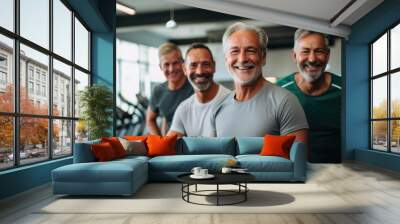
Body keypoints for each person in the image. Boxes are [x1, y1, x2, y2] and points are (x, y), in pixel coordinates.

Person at [212, 22, 309, 143]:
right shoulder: (217, 107)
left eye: (250, 50)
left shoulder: (285, 102)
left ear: (263, 57)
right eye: (234, 51)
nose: (242, 59)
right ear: (226, 59)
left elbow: (298, 159)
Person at [277, 29, 341, 163]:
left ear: (328, 55)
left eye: (319, 51)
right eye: (305, 51)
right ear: (294, 56)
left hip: (338, 172)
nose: (312, 59)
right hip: (292, 172)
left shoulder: (346, 90)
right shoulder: (278, 91)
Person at [168, 43, 230, 137]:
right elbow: (168, 144)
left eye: (206, 64)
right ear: (185, 69)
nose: (200, 71)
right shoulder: (184, 109)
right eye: (193, 65)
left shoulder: (231, 102)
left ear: (214, 67)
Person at [146, 42, 194, 135]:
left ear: (183, 63)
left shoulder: (194, 87)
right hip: (170, 144)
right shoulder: (158, 91)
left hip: (194, 143)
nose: (171, 69)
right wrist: (159, 141)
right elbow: (150, 120)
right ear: (160, 67)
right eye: (166, 65)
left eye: (175, 63)